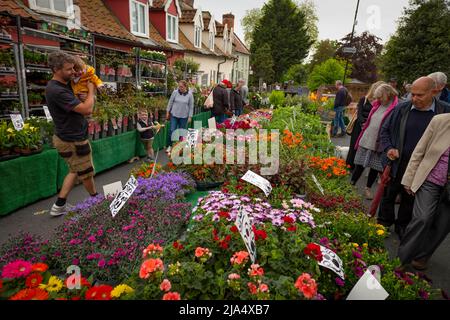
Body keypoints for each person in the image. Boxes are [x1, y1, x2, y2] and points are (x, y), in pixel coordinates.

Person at [378, 76, 450, 239]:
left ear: (433, 92)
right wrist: (389, 148)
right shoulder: (402, 109)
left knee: (410, 198)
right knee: (389, 194)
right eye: (413, 94)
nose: (414, 98)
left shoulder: (444, 112)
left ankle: (402, 227)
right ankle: (383, 223)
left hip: (424, 167)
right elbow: (385, 130)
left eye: (420, 95)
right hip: (398, 162)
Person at [45, 51, 97, 216]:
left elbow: (82, 74)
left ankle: (59, 206)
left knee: (75, 169)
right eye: (69, 69)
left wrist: (82, 93)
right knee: (85, 172)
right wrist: (91, 92)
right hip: (72, 139)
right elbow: (87, 109)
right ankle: (97, 202)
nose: (73, 72)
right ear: (56, 69)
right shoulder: (57, 90)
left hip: (70, 136)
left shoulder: (64, 85)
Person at [399, 113, 450, 270]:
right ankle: (401, 260)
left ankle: (422, 255)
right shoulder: (440, 121)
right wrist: (409, 178)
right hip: (431, 179)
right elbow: (419, 150)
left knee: (443, 224)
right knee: (422, 218)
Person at [351, 84, 399, 200]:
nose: (378, 99)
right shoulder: (377, 105)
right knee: (359, 164)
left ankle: (367, 189)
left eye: (380, 97)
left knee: (375, 167)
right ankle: (351, 185)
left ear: (387, 94)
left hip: (379, 143)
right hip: (367, 139)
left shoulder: (395, 108)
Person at [347, 81, 384, 171]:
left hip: (370, 128)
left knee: (363, 147)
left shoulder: (380, 103)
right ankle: (349, 166)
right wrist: (363, 123)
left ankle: (358, 166)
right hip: (359, 126)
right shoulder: (364, 99)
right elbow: (359, 113)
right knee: (354, 146)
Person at [166, 80, 194, 154]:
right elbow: (170, 102)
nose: (180, 88)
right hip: (174, 114)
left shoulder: (190, 95)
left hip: (184, 116)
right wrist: (167, 112)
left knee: (181, 132)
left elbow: (191, 107)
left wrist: (190, 116)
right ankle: (170, 146)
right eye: (179, 86)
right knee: (172, 130)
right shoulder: (175, 92)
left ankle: (179, 146)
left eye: (181, 86)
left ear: (185, 87)